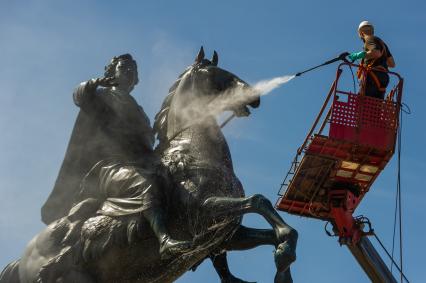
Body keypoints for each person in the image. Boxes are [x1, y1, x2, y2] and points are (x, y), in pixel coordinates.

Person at [41, 54, 190, 258]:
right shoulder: (102, 95)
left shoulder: (138, 109)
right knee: (145, 182)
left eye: (133, 71)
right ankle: (164, 240)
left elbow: (144, 142)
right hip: (107, 168)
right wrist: (94, 83)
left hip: (136, 163)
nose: (129, 72)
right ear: (112, 72)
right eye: (124, 68)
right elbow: (80, 95)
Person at [347, 21, 396, 99]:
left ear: (361, 33)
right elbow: (392, 64)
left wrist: (359, 55)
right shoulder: (382, 43)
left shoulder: (369, 39)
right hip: (383, 78)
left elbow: (377, 53)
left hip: (372, 77)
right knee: (375, 107)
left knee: (362, 104)